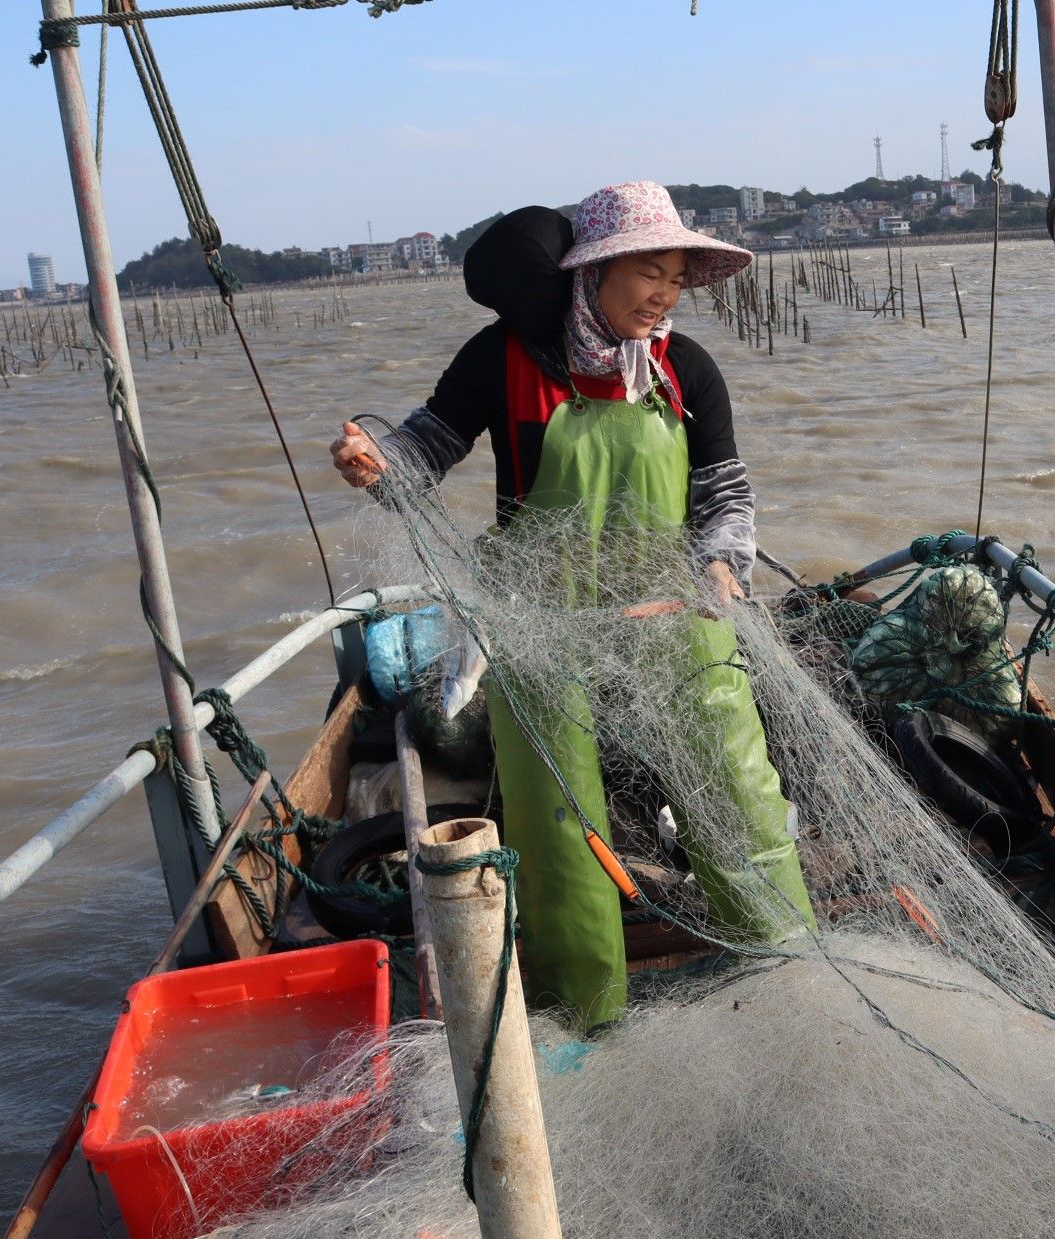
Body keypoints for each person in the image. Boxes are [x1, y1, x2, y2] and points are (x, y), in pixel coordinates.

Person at [329, 183, 815, 1028]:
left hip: (669, 609)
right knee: (559, 825)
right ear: (593, 271)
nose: (664, 294)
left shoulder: (683, 366)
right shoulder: (501, 357)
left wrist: (723, 566)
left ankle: (785, 968)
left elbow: (725, 493)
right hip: (539, 620)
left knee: (735, 779)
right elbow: (429, 444)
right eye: (648, 272)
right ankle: (583, 1013)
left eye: (676, 278)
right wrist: (378, 460)